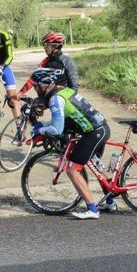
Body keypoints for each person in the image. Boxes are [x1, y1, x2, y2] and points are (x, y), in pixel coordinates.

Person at [30, 67, 111, 219]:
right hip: (100, 128)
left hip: (93, 132)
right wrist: (44, 125)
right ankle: (111, 201)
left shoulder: (55, 100)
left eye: (36, 87)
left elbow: (57, 129)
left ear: (44, 85)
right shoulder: (63, 90)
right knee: (95, 163)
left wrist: (39, 131)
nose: (35, 90)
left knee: (72, 170)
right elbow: (59, 122)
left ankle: (93, 210)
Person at [17, 32, 79, 98]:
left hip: (65, 97)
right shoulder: (45, 62)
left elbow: (74, 85)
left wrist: (70, 98)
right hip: (49, 96)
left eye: (47, 45)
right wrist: (21, 92)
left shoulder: (67, 61)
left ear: (54, 46)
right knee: (33, 106)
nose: (44, 47)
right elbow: (33, 79)